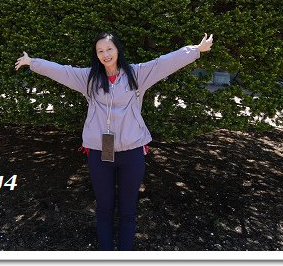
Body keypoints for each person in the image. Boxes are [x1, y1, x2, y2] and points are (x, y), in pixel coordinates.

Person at [14, 32, 213, 251]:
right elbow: (63, 72)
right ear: (96, 55)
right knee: (104, 209)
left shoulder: (137, 74)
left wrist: (195, 50)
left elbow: (163, 63)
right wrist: (33, 62)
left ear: (118, 50)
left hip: (132, 152)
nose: (105, 54)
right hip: (101, 153)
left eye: (109, 49)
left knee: (128, 210)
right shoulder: (89, 78)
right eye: (100, 51)